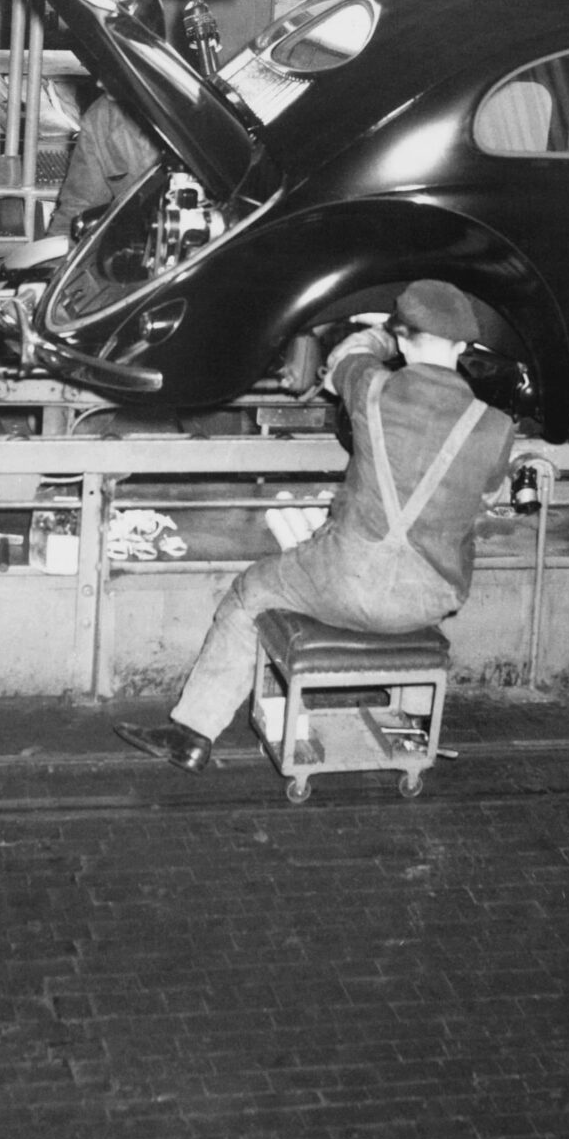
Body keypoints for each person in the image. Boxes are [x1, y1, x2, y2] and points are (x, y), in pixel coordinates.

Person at [116, 278, 516, 774]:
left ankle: (192, 734)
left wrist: (382, 336)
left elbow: (342, 360)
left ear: (405, 337)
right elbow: (486, 496)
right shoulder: (496, 425)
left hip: (346, 581)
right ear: (461, 346)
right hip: (431, 597)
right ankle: (408, 730)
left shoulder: (374, 388)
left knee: (250, 592)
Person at [46, 90, 159, 236]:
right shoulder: (102, 116)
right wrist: (54, 247)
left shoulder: (187, 108)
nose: (100, 83)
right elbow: (78, 207)